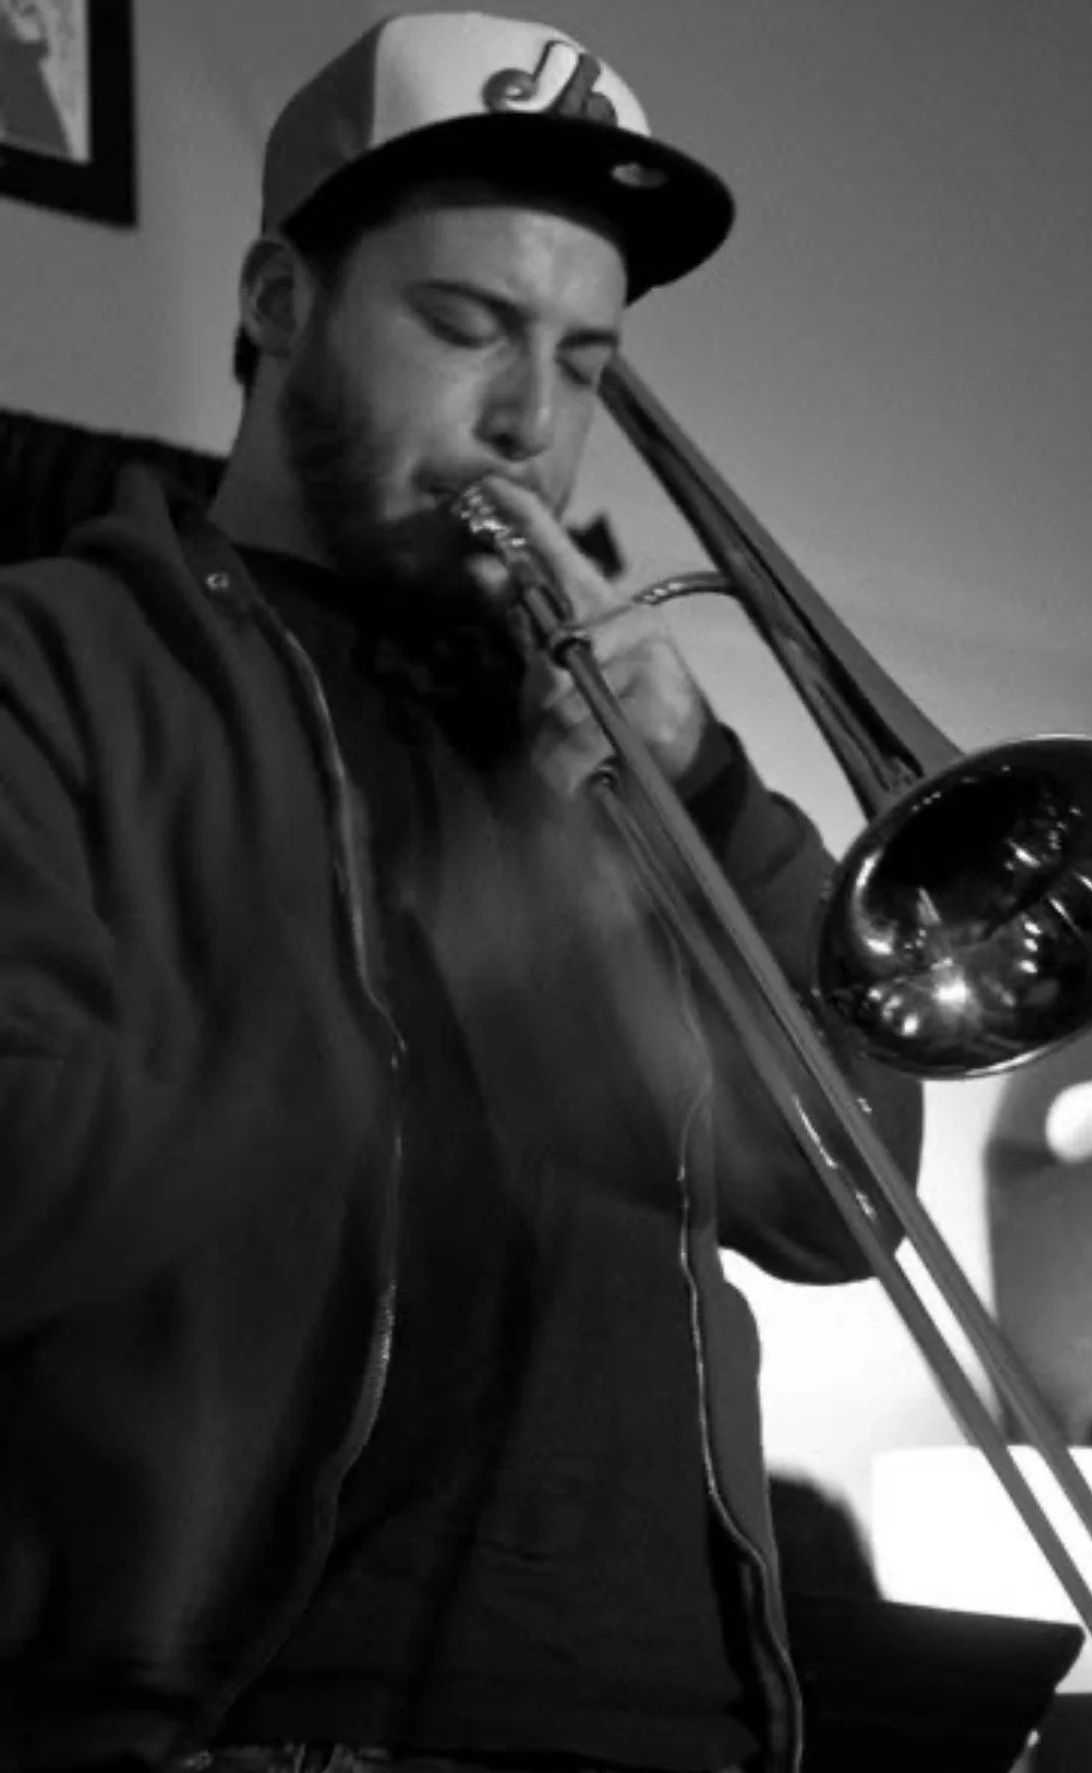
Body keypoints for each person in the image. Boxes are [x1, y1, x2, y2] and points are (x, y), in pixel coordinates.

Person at [0, 13, 924, 1773]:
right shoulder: (50, 662)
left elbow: (846, 1205)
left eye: (583, 362)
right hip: (256, 1721)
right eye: (464, 326)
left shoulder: (603, 734)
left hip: (691, 1724)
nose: (529, 419)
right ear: (279, 303)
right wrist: (501, 964)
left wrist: (719, 796)